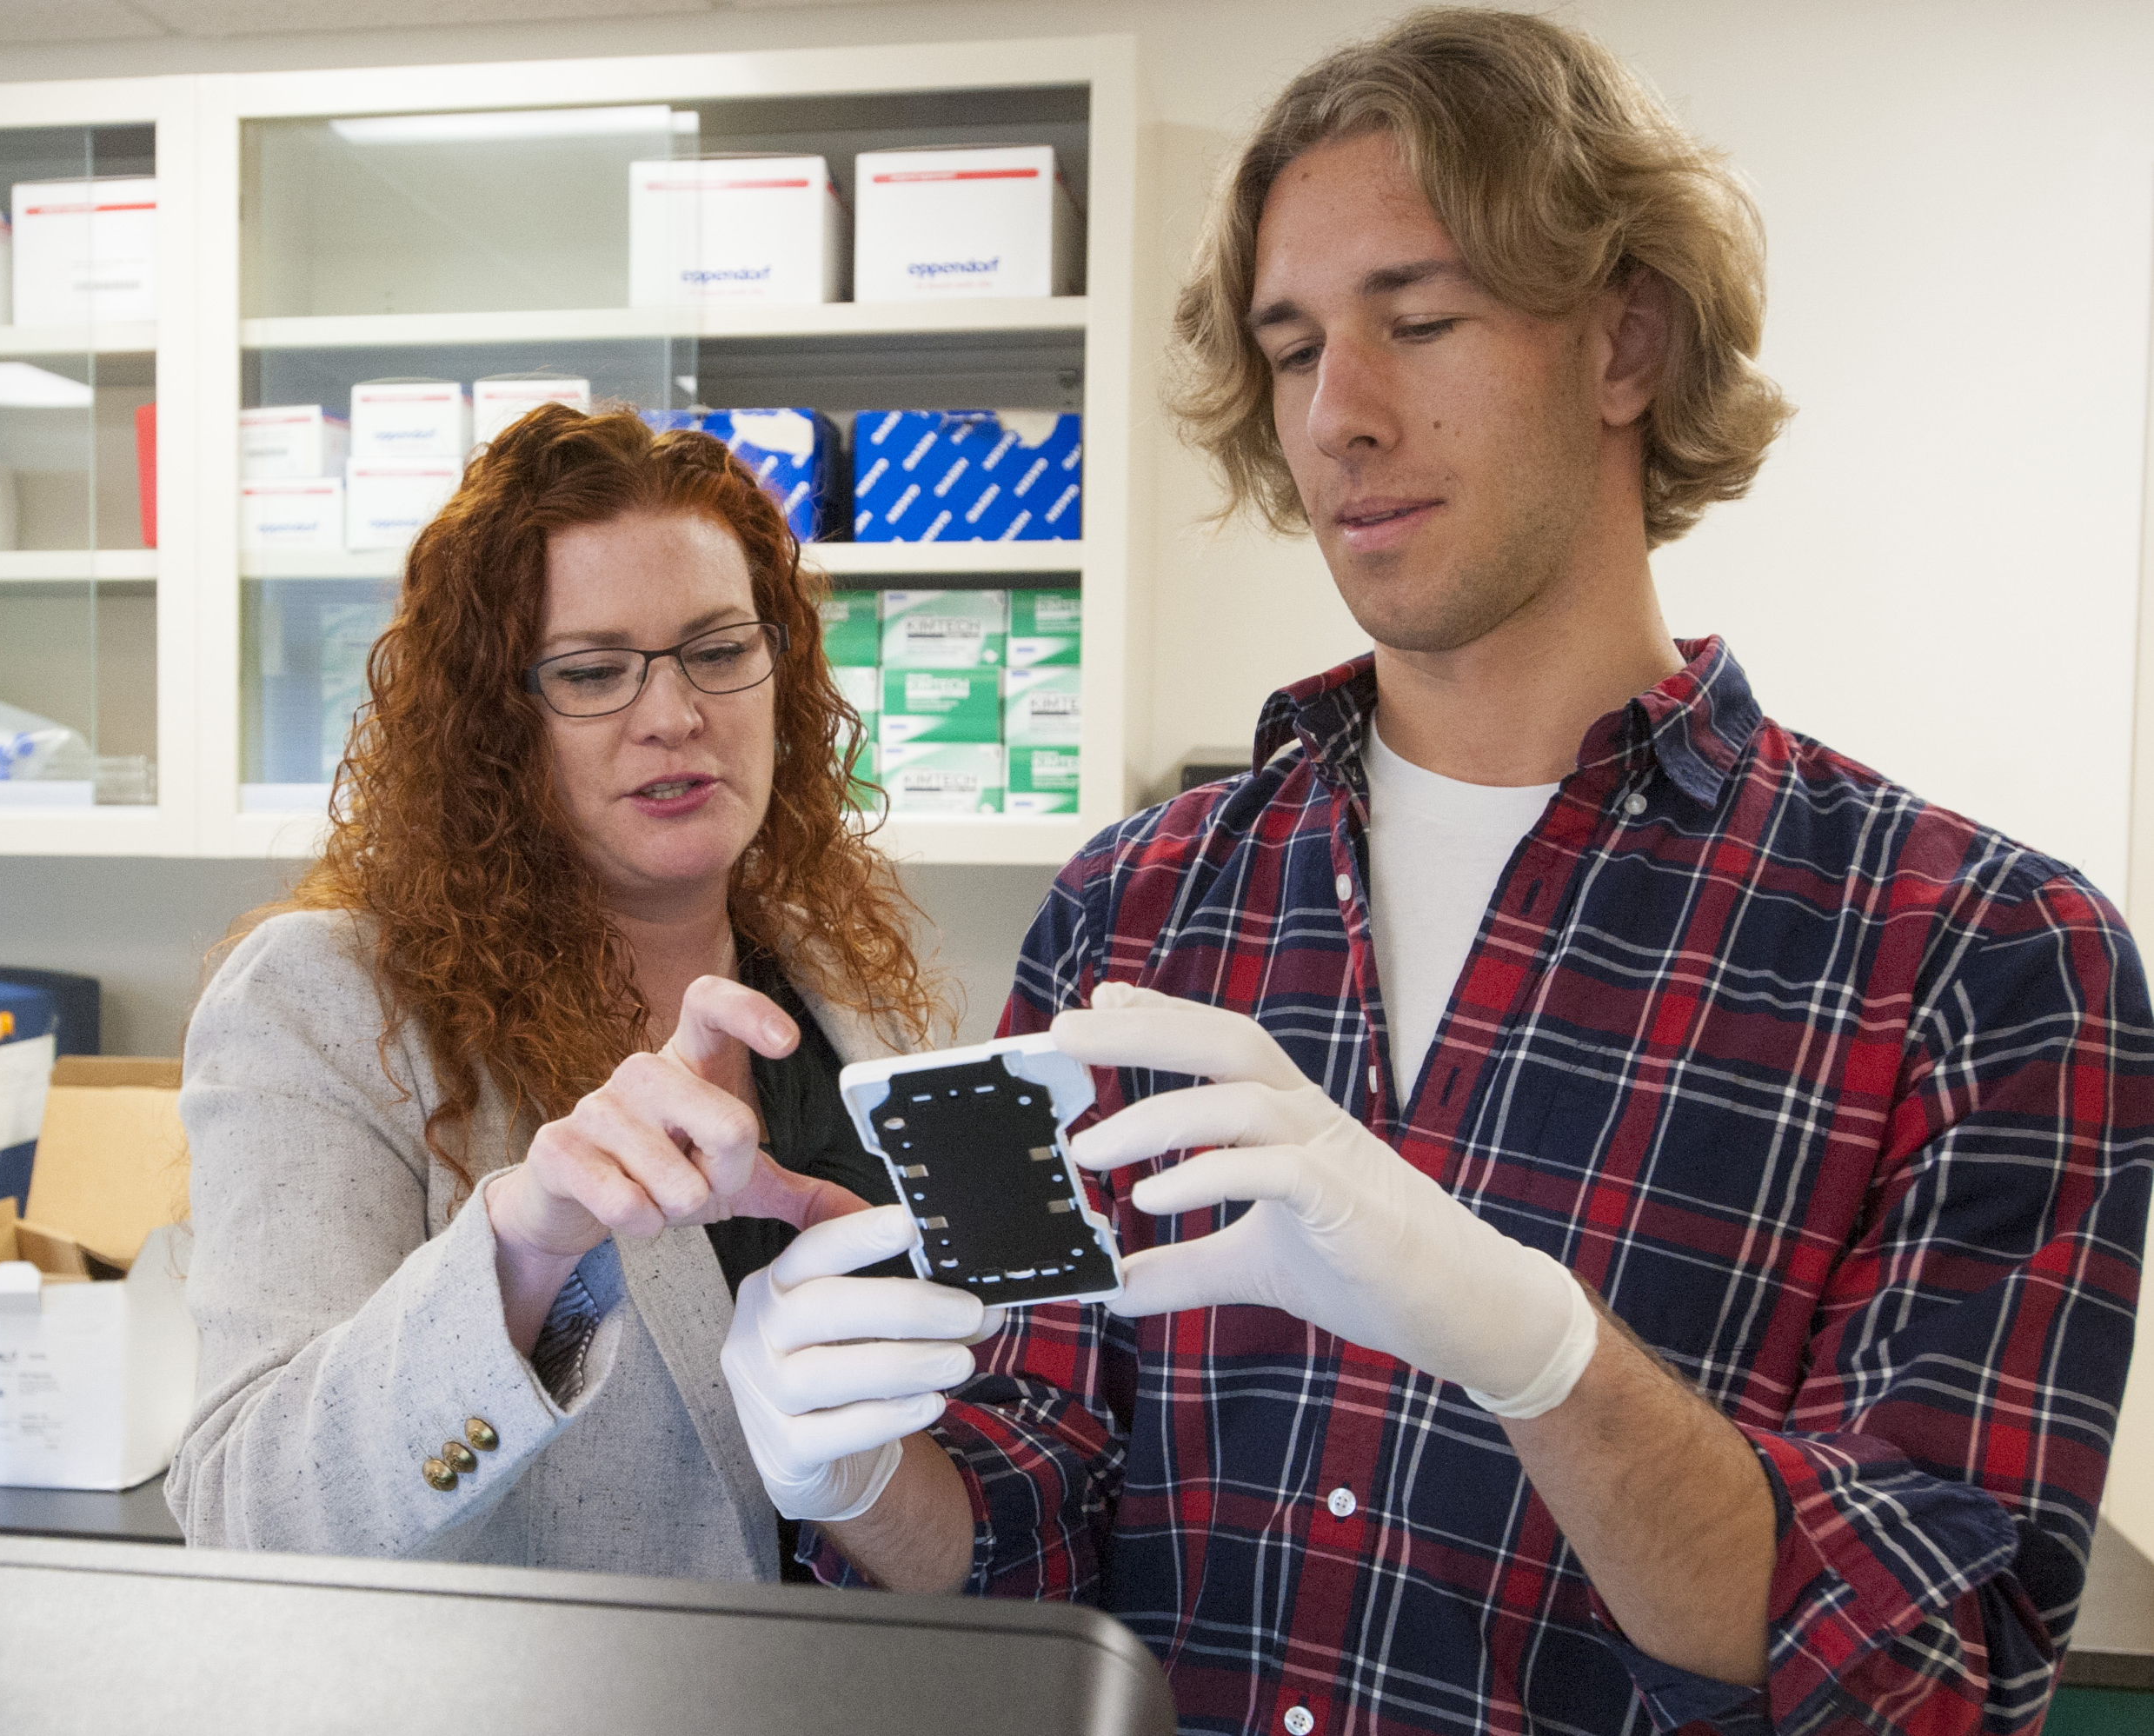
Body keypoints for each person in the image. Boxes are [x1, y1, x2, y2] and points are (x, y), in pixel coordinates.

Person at [718, 11, 2154, 1733]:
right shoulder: (1141, 909)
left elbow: (1930, 1675)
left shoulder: (1981, 960)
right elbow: (1031, 1506)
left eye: (1418, 319)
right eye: (1291, 345)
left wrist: (1538, 1354)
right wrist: (862, 1476)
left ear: (1624, 340)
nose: (1339, 415)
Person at [168, 406, 954, 1580]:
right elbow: (246, 1513)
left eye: (720, 650)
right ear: (495, 723)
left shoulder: (840, 989)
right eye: (592, 671)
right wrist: (523, 1252)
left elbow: (955, 1520)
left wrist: (863, 1480)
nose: (675, 713)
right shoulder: (328, 1005)